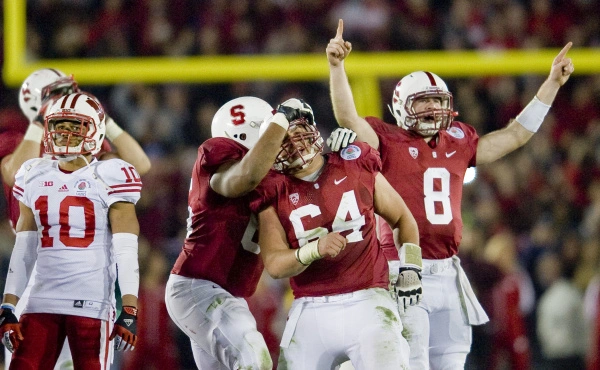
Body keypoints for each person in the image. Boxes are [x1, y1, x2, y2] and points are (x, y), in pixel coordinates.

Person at [326, 18, 574, 369]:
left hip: (448, 270)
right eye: (422, 103)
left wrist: (550, 85)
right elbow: (349, 118)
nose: (432, 110)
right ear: (400, 107)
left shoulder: (458, 140)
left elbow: (514, 135)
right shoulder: (387, 140)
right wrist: (337, 68)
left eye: (436, 101)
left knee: (452, 363)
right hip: (403, 267)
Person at [250, 98, 421, 369]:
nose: (294, 142)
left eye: (297, 132)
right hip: (311, 307)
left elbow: (402, 218)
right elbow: (275, 265)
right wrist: (314, 249)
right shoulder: (272, 191)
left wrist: (411, 266)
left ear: (313, 129)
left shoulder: (354, 162)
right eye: (284, 138)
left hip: (368, 300)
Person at [0, 68, 151, 369]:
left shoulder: (102, 166)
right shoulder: (26, 158)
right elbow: (16, 172)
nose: (65, 134)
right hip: (37, 285)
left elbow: (141, 164)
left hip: (89, 291)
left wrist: (100, 116)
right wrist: (9, 303)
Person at [164, 96, 311, 370]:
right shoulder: (219, 157)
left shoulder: (272, 179)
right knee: (254, 357)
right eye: (273, 131)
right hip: (198, 286)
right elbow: (246, 178)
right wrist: (279, 121)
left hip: (229, 295)